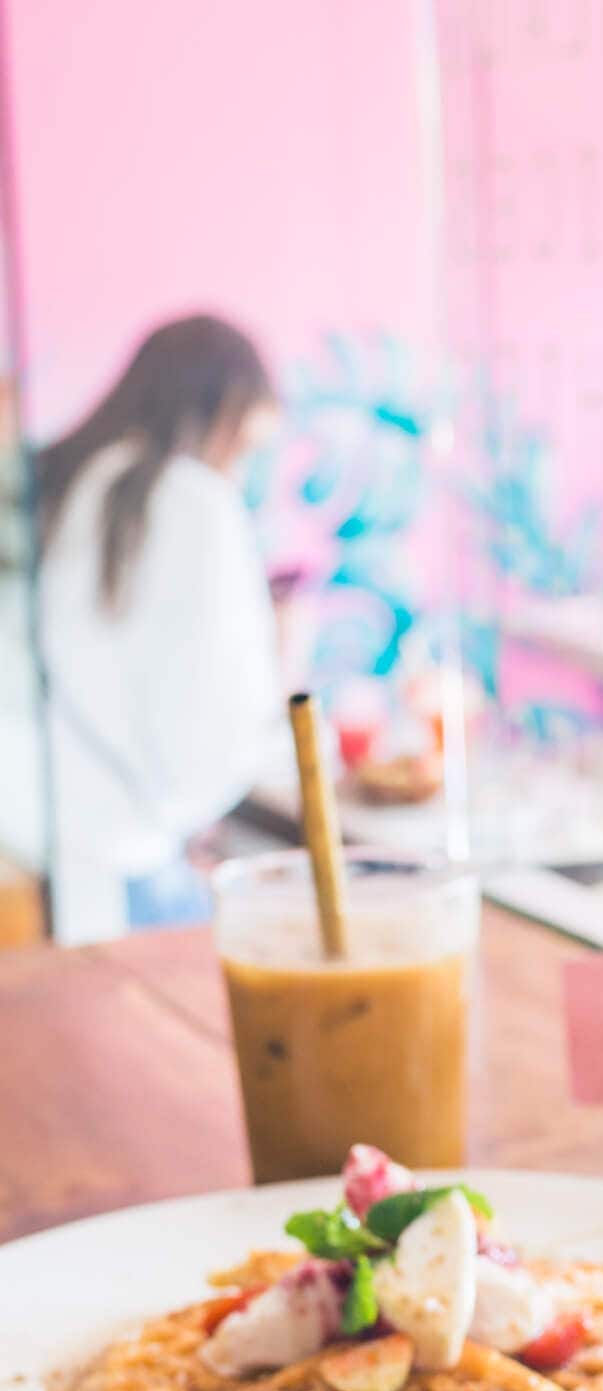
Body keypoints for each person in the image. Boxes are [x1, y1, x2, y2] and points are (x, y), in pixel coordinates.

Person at [33, 314, 283, 940]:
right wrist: (284, 647)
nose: (239, 470)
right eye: (241, 448)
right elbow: (220, 731)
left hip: (40, 836)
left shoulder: (70, 481)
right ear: (214, 414)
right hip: (118, 851)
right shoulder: (188, 501)